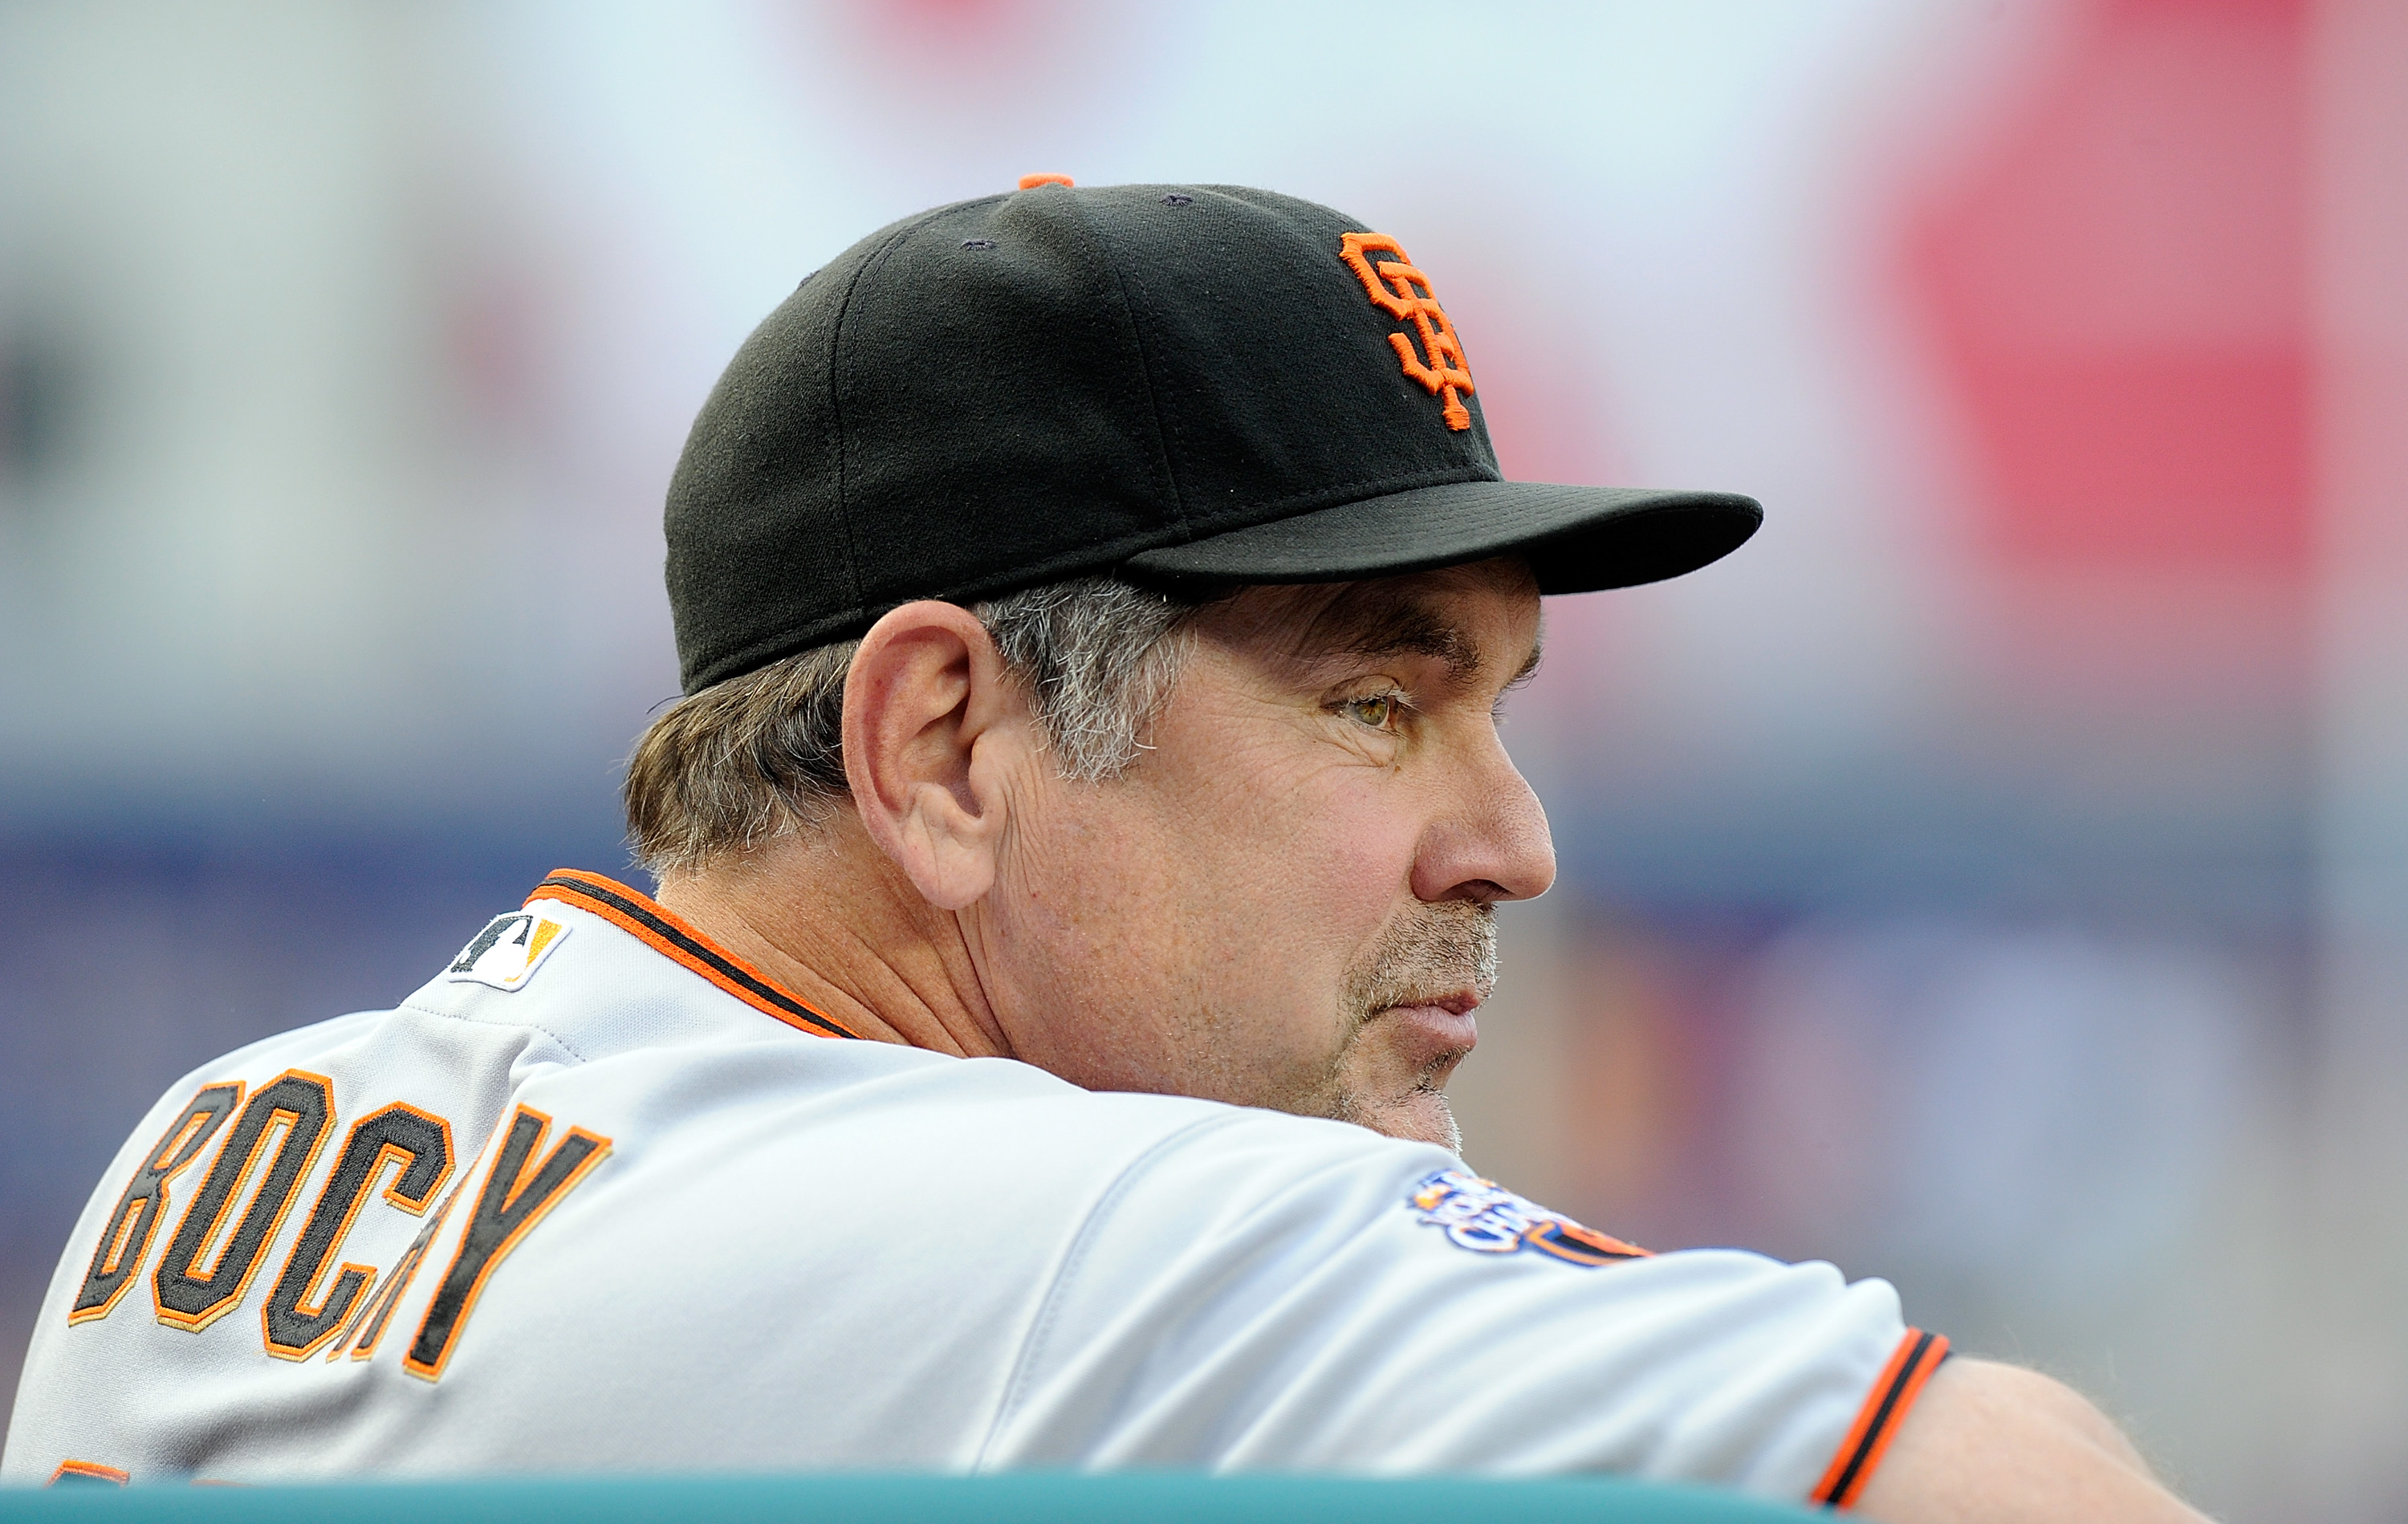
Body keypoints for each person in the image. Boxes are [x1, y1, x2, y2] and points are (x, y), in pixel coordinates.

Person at [4, 180, 2201, 1521]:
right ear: (947, 746)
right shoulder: (1108, 1241)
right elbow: (2021, 1487)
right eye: (1376, 698)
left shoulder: (215, 1140)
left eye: (1499, 710)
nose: (1513, 838)